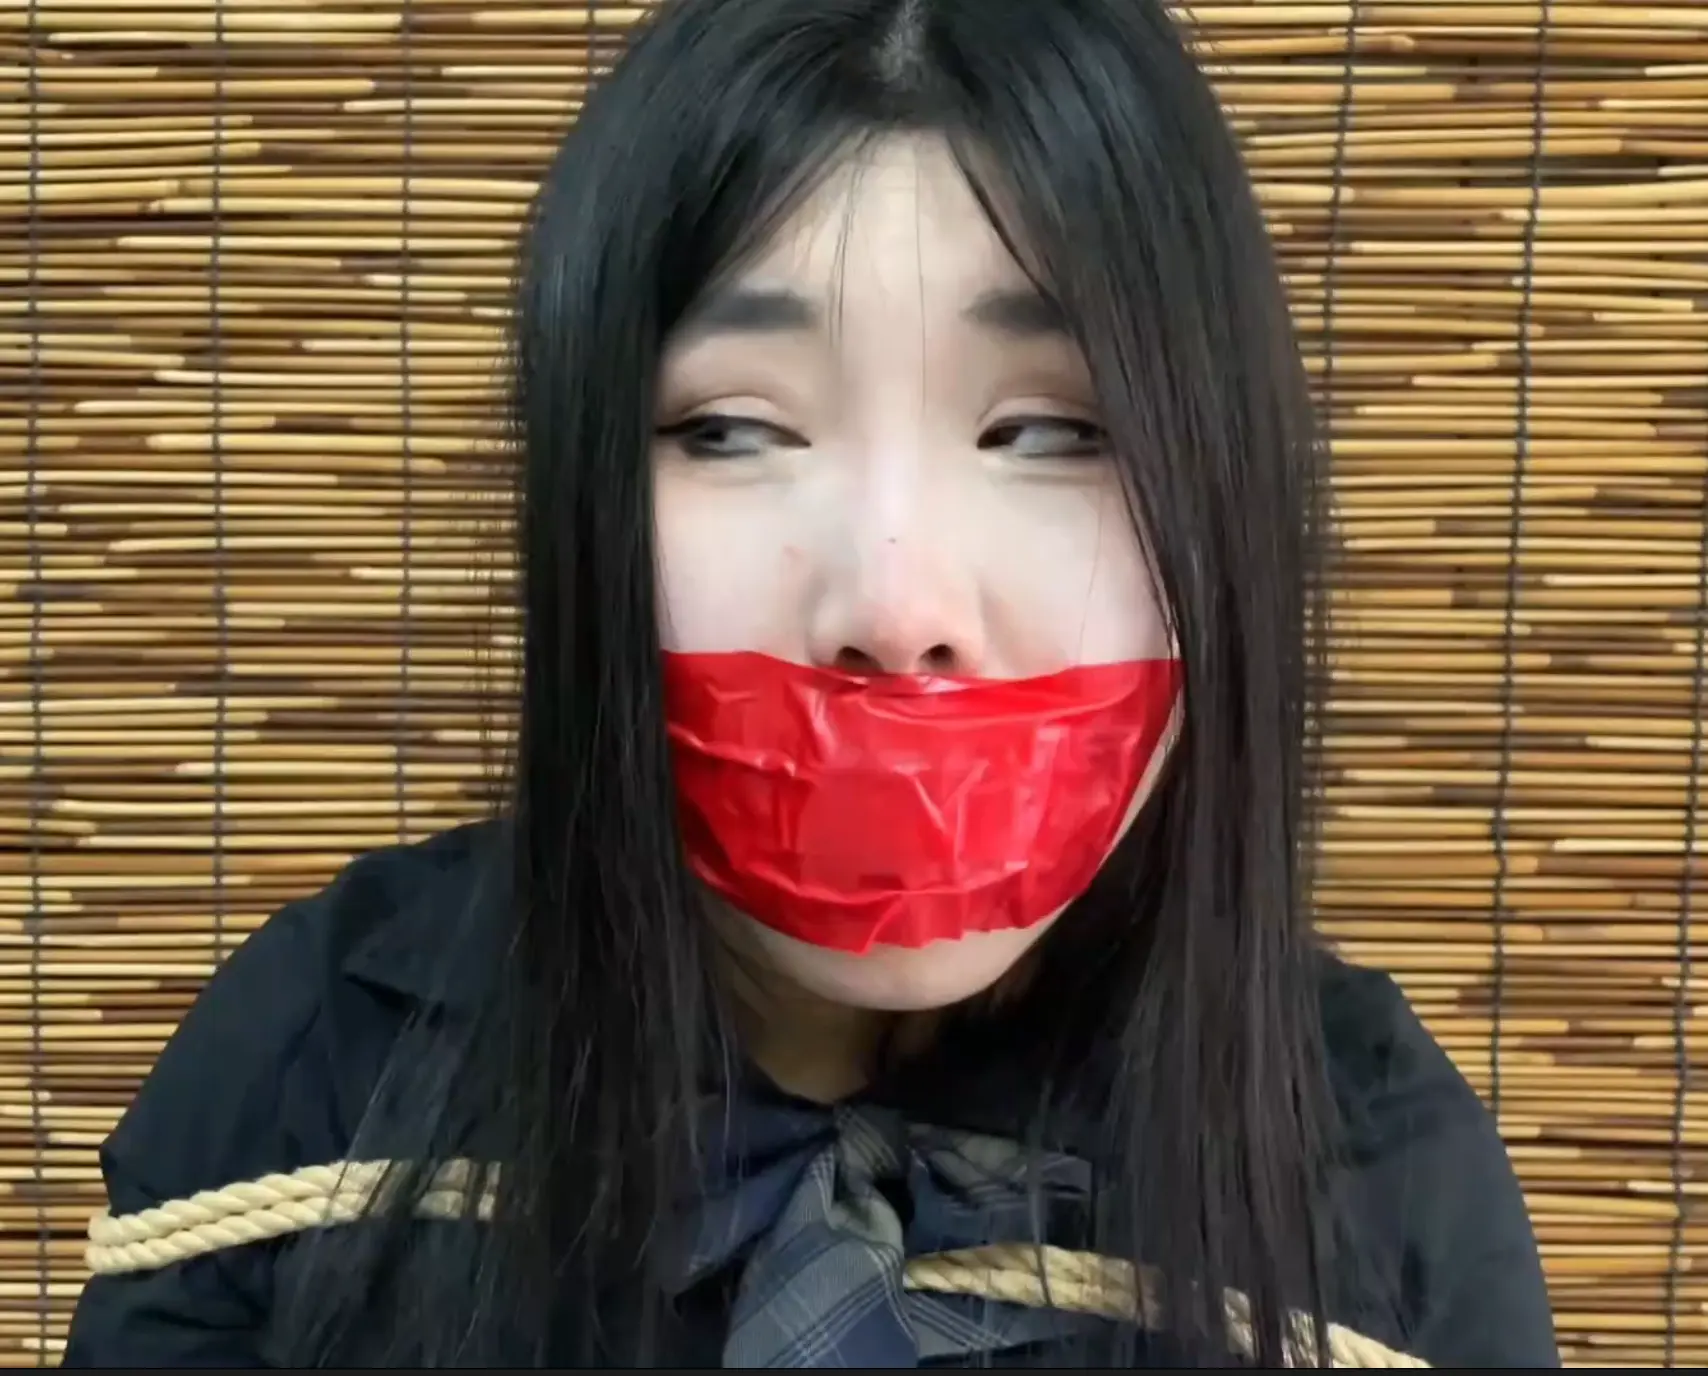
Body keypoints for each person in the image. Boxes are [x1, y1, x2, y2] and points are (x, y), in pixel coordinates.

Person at [60, 0, 1560, 1366]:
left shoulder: (1386, 1190)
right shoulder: (310, 1080)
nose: (896, 610)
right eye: (730, 429)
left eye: (1053, 432)